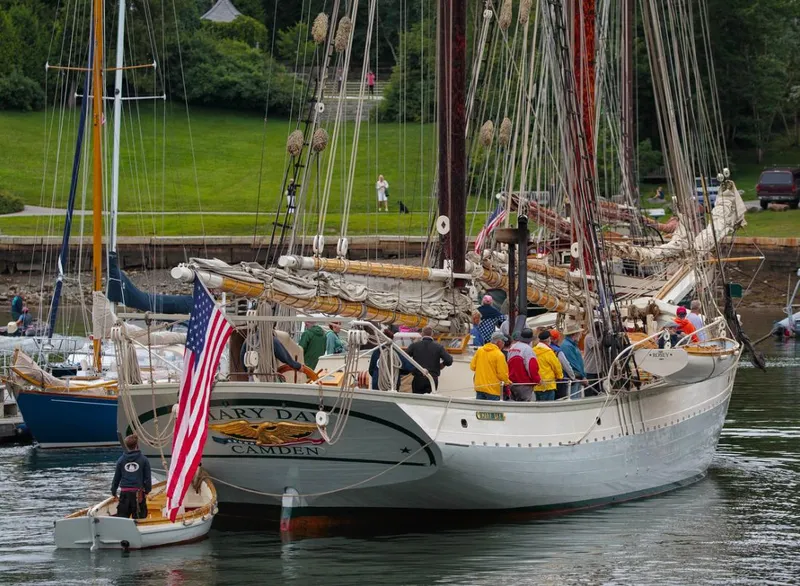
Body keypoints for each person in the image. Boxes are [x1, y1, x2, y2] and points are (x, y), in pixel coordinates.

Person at [111, 434, 152, 519]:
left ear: (126, 445)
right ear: (137, 444)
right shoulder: (144, 460)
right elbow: (148, 478)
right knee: (139, 521)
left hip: (124, 495)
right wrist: (147, 491)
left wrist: (114, 492)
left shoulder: (121, 460)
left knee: (122, 520)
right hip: (138, 495)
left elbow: (116, 478)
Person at [405, 326, 453, 394]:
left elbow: (404, 357)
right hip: (432, 379)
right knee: (430, 400)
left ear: (422, 334)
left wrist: (411, 368)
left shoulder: (414, 346)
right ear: (432, 334)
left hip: (418, 378)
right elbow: (449, 360)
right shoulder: (438, 347)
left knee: (417, 401)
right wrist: (442, 365)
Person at [470, 331, 511, 401]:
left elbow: (472, 367)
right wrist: (507, 382)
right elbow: (502, 374)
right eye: (503, 342)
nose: (504, 344)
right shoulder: (499, 355)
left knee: (480, 411)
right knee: (493, 411)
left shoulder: (480, 351)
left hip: (480, 387)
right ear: (499, 342)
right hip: (493, 390)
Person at [506, 328, 540, 401]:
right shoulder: (528, 349)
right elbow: (532, 368)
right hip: (524, 384)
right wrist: (538, 380)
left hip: (512, 383)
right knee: (526, 408)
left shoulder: (512, 348)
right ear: (530, 339)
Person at [533, 330, 562, 401]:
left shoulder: (533, 350)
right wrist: (560, 376)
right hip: (548, 384)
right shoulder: (549, 352)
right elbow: (556, 366)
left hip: (536, 385)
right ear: (548, 340)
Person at [560, 325, 586, 400]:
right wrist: (582, 376)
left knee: (576, 398)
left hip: (576, 378)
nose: (580, 336)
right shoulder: (567, 346)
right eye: (579, 334)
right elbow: (573, 364)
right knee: (574, 398)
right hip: (574, 379)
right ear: (574, 335)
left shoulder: (572, 345)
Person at [549, 330, 575, 400]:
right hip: (560, 380)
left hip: (549, 381)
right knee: (561, 400)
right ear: (557, 338)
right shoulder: (558, 351)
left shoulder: (546, 349)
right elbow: (566, 365)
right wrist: (572, 376)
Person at [583, 320, 603, 397]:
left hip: (598, 370)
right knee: (589, 392)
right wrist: (604, 337)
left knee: (598, 392)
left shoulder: (598, 337)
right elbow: (597, 348)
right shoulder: (589, 337)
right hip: (590, 370)